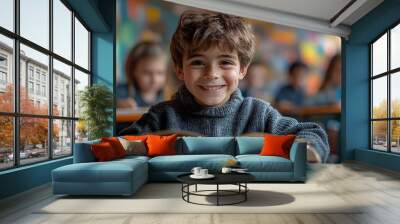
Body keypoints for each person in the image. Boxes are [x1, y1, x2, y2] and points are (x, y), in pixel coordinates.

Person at [119, 10, 330, 162]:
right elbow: (122, 145)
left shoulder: (258, 113)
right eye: (198, 62)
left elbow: (313, 134)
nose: (212, 74)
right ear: (180, 70)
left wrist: (307, 149)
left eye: (226, 62)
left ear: (242, 69)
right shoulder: (162, 116)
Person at [117, 41, 168, 112]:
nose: (155, 80)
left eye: (160, 73)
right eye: (147, 73)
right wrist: (118, 105)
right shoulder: (121, 93)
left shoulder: (167, 96)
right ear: (133, 71)